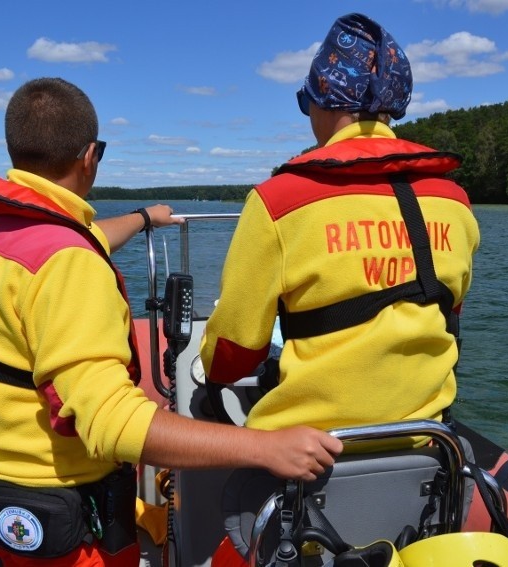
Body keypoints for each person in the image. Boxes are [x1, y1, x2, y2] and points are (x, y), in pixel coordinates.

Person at [0, 77, 342, 567]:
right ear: (90, 157)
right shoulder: (66, 262)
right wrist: (265, 447)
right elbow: (112, 424)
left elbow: (79, 240)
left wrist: (144, 217)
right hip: (63, 514)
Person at [199, 13, 480, 437]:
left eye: (305, 101)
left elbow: (229, 359)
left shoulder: (278, 201)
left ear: (324, 101)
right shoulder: (455, 203)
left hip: (305, 461)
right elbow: (448, 318)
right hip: (426, 444)